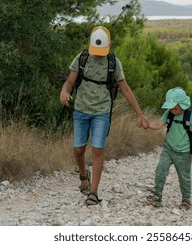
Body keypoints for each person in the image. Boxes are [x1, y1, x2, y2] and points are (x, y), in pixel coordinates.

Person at [60, 26, 149, 205]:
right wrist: (64, 92)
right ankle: (84, 175)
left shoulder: (114, 63)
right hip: (81, 110)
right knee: (78, 150)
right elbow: (69, 82)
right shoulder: (82, 58)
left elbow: (125, 88)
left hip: (102, 112)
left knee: (98, 150)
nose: (99, 54)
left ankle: (93, 192)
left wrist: (139, 113)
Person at [146, 87, 192, 210]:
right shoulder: (169, 114)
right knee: (160, 169)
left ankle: (186, 201)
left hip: (184, 153)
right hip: (168, 149)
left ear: (182, 104)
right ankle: (157, 196)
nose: (172, 110)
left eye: (175, 107)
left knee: (184, 177)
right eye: (170, 107)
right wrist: (148, 125)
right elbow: (158, 125)